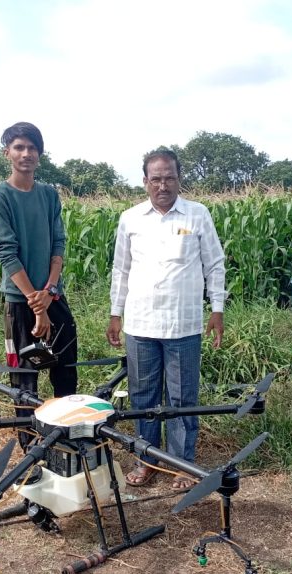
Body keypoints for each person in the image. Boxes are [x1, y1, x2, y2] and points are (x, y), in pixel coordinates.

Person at [107, 148, 226, 490]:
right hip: (140, 323)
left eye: (169, 177)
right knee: (143, 397)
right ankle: (146, 460)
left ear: (179, 178)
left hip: (184, 324)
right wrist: (116, 313)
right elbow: (121, 269)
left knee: (182, 397)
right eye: (155, 178)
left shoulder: (197, 215)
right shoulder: (130, 219)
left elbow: (214, 264)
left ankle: (183, 464)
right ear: (145, 181)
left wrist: (217, 308)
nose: (163, 185)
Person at [0, 122, 78, 448]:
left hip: (54, 296)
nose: (26, 154)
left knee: (65, 371)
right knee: (25, 381)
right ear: (7, 153)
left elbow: (58, 245)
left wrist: (49, 293)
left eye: (32, 148)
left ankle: (67, 439)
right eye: (19, 147)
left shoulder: (49, 195)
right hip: (19, 302)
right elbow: (7, 253)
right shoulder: (0, 197)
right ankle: (32, 452)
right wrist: (34, 302)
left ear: (40, 153)